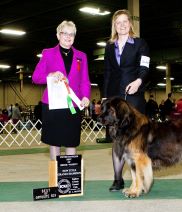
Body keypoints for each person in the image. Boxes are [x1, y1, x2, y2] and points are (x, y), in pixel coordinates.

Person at [103, 9, 150, 192]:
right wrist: (106, 97)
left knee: (136, 140)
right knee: (117, 140)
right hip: (115, 98)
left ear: (130, 24)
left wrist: (139, 81)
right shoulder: (109, 47)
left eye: (124, 21)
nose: (121, 25)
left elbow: (144, 67)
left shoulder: (140, 43)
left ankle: (139, 180)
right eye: (118, 22)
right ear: (114, 26)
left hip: (134, 96)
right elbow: (107, 73)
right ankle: (117, 179)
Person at [32, 20, 91, 161]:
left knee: (72, 141)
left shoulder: (81, 56)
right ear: (58, 35)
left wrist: (86, 96)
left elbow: (85, 80)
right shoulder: (47, 53)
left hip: (73, 105)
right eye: (65, 33)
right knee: (54, 142)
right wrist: (50, 75)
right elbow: (36, 77)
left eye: (72, 34)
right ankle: (55, 177)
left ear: (74, 37)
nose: (68, 36)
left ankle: (69, 178)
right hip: (53, 104)